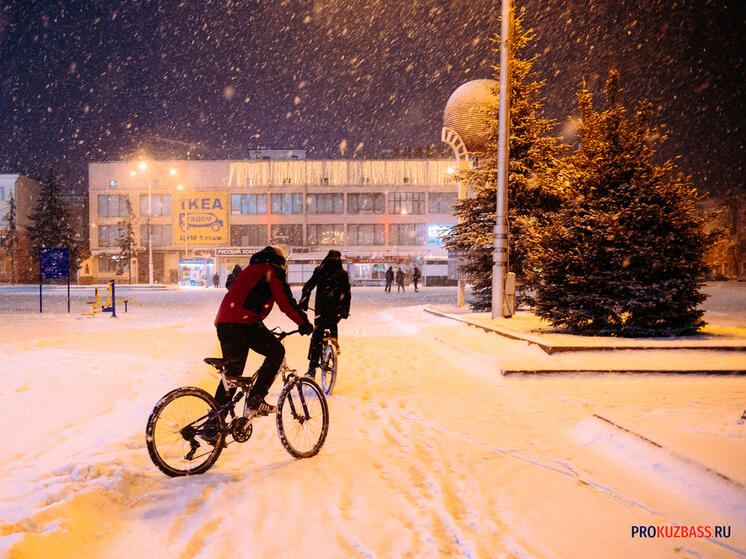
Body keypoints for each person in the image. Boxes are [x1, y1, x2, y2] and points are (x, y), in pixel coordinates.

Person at [213, 246, 313, 419]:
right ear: (280, 262)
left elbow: (240, 294)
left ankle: (214, 424)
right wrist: (303, 323)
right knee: (277, 352)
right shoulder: (272, 271)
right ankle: (256, 398)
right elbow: (286, 303)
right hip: (244, 322)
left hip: (224, 323)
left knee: (232, 375)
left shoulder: (249, 271)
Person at [299, 250, 351, 378]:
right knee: (333, 325)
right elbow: (347, 294)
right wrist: (344, 311)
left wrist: (304, 301)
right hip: (335, 310)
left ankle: (312, 369)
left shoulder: (320, 270)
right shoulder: (342, 274)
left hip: (321, 310)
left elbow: (308, 286)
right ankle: (334, 343)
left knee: (317, 335)